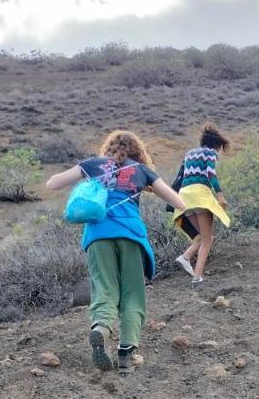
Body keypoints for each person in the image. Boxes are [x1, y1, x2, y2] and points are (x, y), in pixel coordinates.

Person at [47, 131, 185, 372]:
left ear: (108, 149)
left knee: (105, 288)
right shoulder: (141, 170)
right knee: (132, 293)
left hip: (98, 235)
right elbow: (178, 202)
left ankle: (100, 327)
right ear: (136, 150)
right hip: (130, 235)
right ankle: (127, 354)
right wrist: (146, 187)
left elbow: (52, 184)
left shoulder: (93, 165)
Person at [173, 123, 231, 283]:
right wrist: (219, 195)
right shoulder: (211, 153)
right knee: (207, 239)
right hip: (199, 195)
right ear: (216, 144)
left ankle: (186, 258)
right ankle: (197, 276)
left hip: (184, 196)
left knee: (200, 238)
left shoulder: (189, 153)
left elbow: (181, 176)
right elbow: (210, 173)